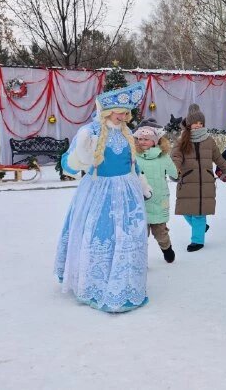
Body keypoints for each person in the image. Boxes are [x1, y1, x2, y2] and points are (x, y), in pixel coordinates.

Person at [54, 82, 152, 313]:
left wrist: (142, 184)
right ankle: (95, 282)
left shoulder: (127, 133)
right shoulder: (92, 131)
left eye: (127, 112)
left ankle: (124, 285)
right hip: (99, 192)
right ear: (108, 110)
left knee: (127, 236)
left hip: (127, 192)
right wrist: (82, 150)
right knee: (101, 234)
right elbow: (68, 164)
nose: (124, 116)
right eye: (120, 112)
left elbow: (133, 165)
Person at [171, 104, 226, 252]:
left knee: (199, 213)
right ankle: (201, 227)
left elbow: (217, 156)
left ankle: (197, 241)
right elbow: (176, 156)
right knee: (185, 210)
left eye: (200, 123)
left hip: (205, 182)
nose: (198, 125)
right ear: (189, 124)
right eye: (195, 123)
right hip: (187, 181)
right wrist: (174, 169)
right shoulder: (182, 140)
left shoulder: (209, 140)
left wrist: (224, 169)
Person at [134, 118, 179, 263]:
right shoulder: (134, 157)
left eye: (146, 139)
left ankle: (167, 248)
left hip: (159, 200)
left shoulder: (162, 156)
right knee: (140, 234)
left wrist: (177, 174)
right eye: (140, 138)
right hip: (140, 201)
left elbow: (174, 172)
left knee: (160, 232)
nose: (142, 142)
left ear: (155, 141)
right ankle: (139, 261)